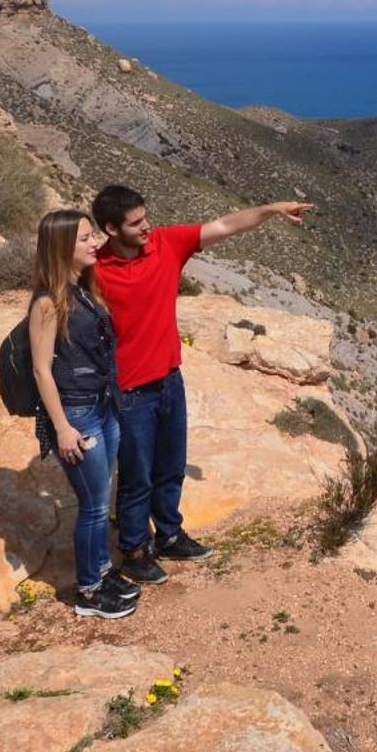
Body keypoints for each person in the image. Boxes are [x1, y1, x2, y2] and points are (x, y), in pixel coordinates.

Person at [92, 184, 315, 586]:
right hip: (128, 392)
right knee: (137, 475)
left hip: (169, 380)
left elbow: (226, 224)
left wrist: (274, 208)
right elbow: (53, 299)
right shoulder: (94, 269)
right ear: (111, 229)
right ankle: (136, 550)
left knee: (172, 466)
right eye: (136, 223)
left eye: (146, 217)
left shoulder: (166, 244)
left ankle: (170, 534)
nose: (147, 227)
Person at [28, 208, 138, 620]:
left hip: (102, 406)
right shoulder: (47, 302)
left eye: (94, 235)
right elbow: (41, 369)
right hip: (77, 413)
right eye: (86, 239)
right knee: (92, 505)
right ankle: (89, 591)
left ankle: (102, 571)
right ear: (61, 248)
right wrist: (62, 428)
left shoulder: (85, 288)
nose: (97, 243)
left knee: (99, 498)